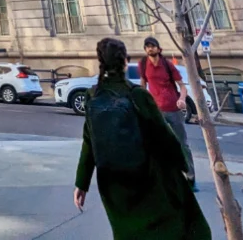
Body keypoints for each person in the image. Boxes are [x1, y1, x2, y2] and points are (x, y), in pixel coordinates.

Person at [74, 38, 210, 240]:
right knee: (172, 226)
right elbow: (165, 135)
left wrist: (82, 183)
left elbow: (89, 142)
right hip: (145, 177)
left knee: (127, 231)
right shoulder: (137, 95)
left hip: (112, 184)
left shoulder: (92, 95)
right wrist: (183, 167)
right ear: (124, 61)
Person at [139, 36, 196, 191]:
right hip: (156, 111)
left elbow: (182, 86)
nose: (150, 49)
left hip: (173, 109)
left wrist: (182, 99)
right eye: (147, 47)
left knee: (182, 144)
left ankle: (190, 176)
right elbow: (143, 85)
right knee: (156, 145)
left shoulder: (168, 65)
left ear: (158, 48)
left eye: (152, 46)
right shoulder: (143, 64)